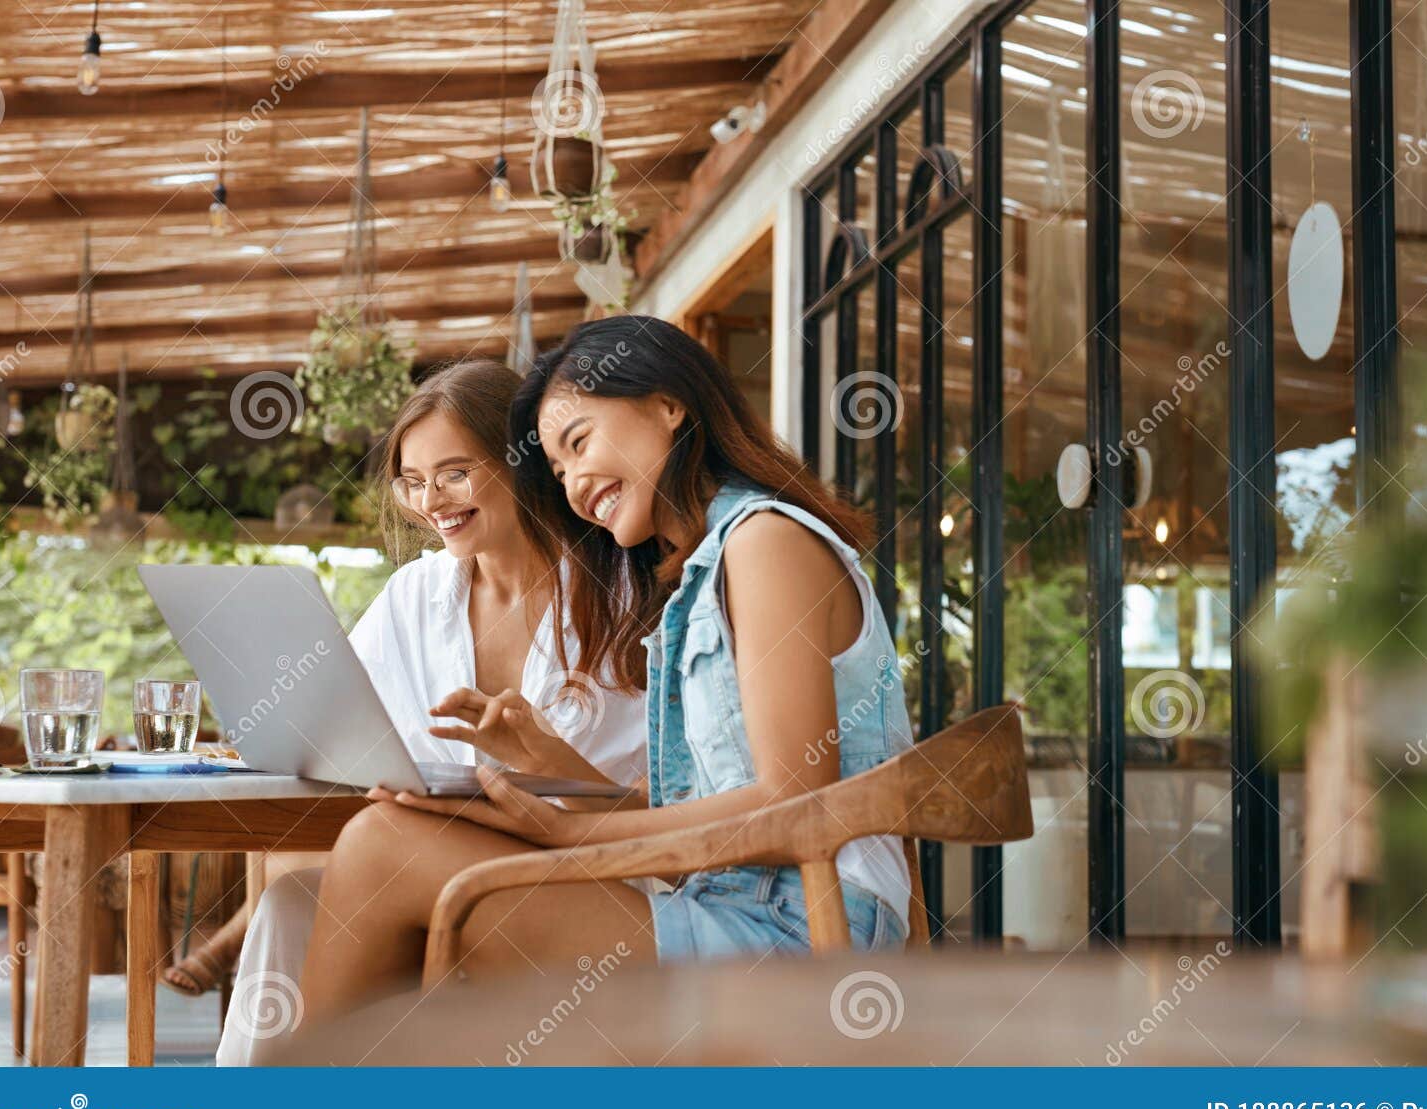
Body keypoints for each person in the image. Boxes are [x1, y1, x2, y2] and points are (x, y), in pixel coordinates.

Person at [297, 315, 910, 1026]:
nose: (575, 483)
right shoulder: (694, 582)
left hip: (799, 936)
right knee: (395, 851)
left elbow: (791, 803)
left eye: (580, 442)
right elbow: (697, 829)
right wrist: (552, 769)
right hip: (718, 912)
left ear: (667, 403)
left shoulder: (765, 543)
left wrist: (569, 834)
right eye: (556, 470)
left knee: (382, 852)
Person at [212, 359, 647, 1065]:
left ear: (522, 462)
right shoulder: (414, 595)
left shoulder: (624, 591)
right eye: (412, 481)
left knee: (375, 853)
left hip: (602, 877)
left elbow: (674, 787)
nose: (431, 500)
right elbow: (337, 722)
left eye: (453, 472)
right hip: (457, 864)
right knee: (291, 901)